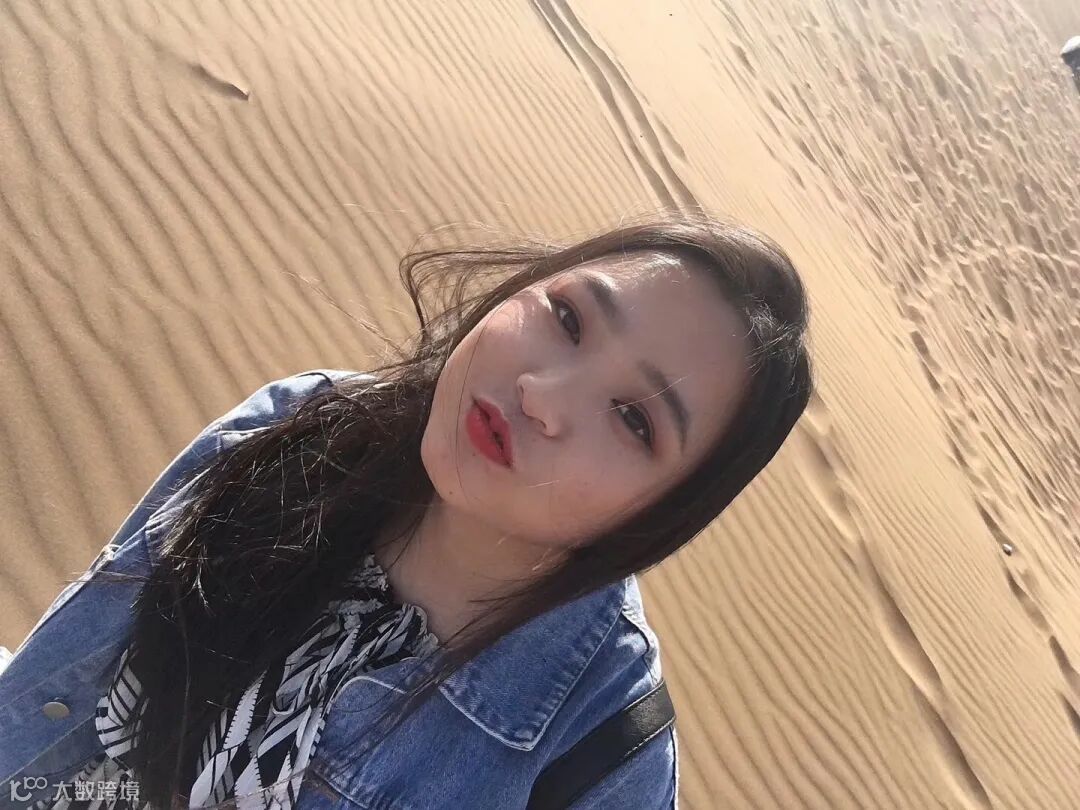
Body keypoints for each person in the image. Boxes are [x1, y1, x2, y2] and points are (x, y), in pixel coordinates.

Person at [0, 211, 813, 809]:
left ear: (664, 512)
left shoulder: (603, 757)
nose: (542, 394)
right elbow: (60, 685)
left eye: (634, 420)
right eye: (568, 318)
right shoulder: (303, 421)